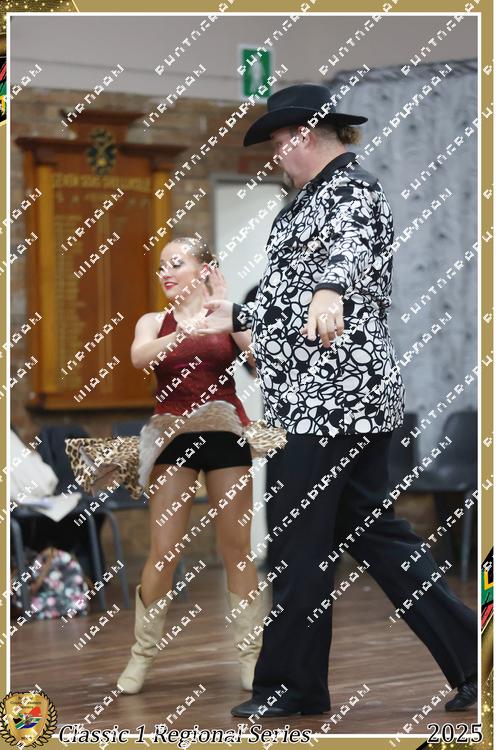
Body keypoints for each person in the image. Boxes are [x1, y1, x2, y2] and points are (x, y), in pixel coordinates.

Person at [195, 84, 478, 716]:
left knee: (296, 542)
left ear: (303, 136)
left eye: (278, 143)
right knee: (376, 534)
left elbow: (342, 265)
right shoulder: (297, 208)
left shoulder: (352, 193)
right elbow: (281, 300)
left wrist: (330, 293)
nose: (276, 156)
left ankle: (291, 688)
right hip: (332, 402)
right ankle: (475, 656)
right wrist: (234, 312)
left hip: (329, 405)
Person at [116, 236, 269, 695]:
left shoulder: (225, 314)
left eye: (176, 263)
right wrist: (185, 331)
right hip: (172, 436)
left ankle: (252, 657)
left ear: (203, 269)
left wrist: (232, 315)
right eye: (162, 265)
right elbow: (139, 358)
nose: (165, 272)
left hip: (224, 432)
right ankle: (141, 655)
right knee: (164, 550)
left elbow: (262, 365)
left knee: (236, 549)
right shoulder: (152, 321)